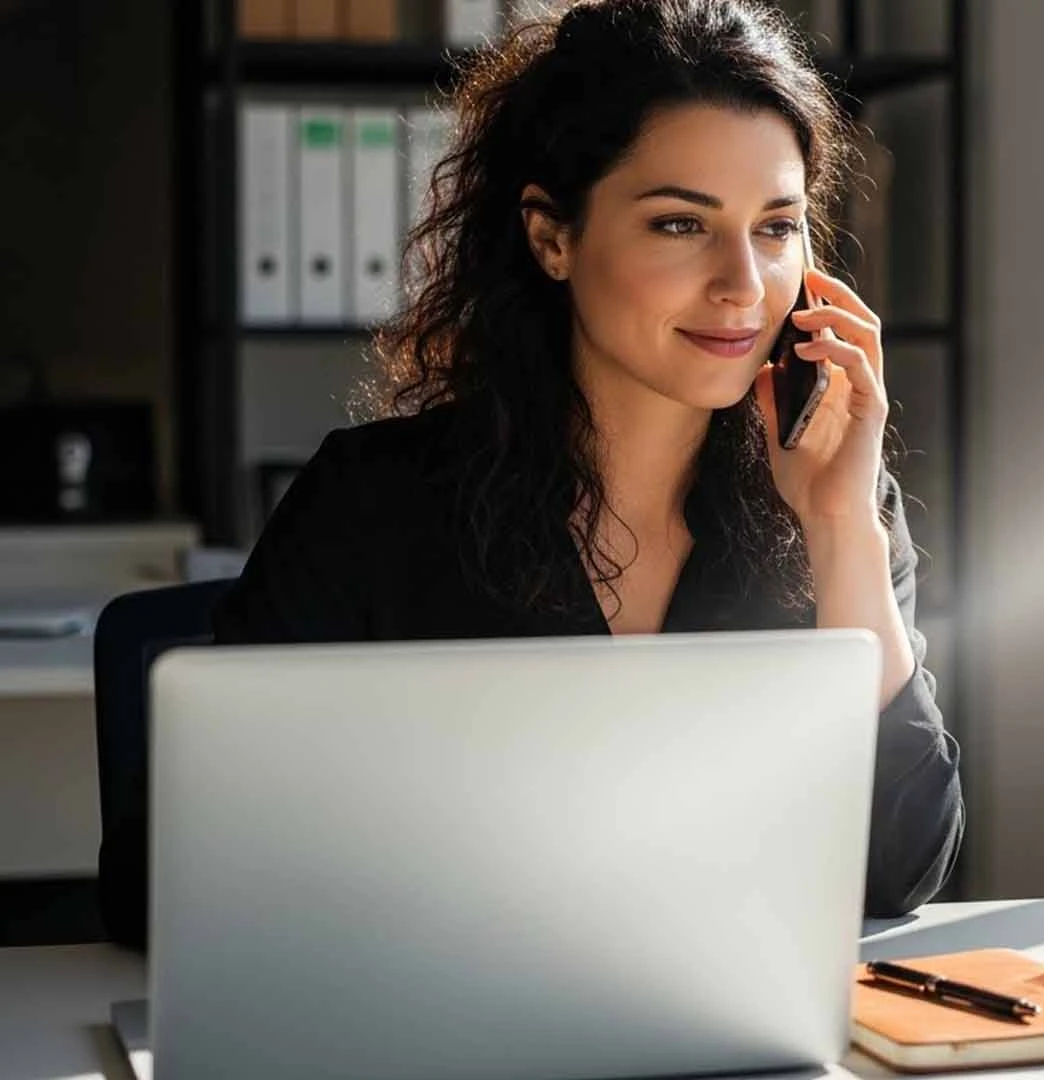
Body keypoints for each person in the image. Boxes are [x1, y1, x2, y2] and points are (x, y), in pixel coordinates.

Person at [210, 0, 962, 918]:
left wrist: (841, 530)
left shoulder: (835, 502)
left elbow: (900, 871)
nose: (742, 284)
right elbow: (172, 867)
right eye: (680, 225)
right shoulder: (372, 503)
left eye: (775, 228)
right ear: (551, 237)